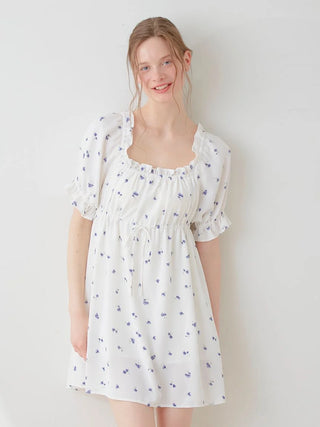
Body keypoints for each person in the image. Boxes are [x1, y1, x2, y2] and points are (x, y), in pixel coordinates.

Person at [65, 16, 232, 427]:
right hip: (115, 311)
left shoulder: (212, 155)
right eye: (144, 67)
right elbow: (80, 225)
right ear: (134, 71)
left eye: (166, 62)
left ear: (185, 61)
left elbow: (209, 245)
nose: (157, 76)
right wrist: (78, 313)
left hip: (181, 314)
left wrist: (207, 328)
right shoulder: (107, 135)